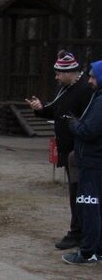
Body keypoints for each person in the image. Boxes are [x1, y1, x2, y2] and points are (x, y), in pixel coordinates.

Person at [26, 51, 94, 250]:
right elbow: (56, 111)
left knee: (80, 194)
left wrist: (72, 125)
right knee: (75, 193)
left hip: (79, 152)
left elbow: (86, 122)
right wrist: (40, 108)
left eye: (58, 74)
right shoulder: (64, 89)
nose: (55, 77)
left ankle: (78, 233)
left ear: (69, 72)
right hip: (68, 150)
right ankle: (78, 230)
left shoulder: (83, 90)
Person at [62, 59, 102, 265]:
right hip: (93, 160)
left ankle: (87, 252)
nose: (90, 81)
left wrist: (73, 124)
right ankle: (96, 248)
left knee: (90, 207)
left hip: (93, 162)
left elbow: (89, 131)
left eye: (94, 77)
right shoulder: (97, 97)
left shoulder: (100, 101)